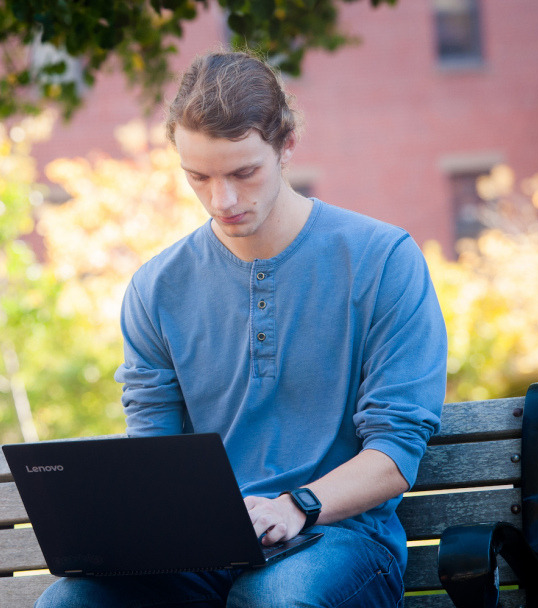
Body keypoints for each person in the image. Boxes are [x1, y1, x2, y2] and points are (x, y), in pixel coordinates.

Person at [35, 49, 447, 607]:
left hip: (339, 540)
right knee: (68, 603)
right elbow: (154, 455)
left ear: (287, 144)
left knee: (272, 600)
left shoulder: (382, 260)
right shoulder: (156, 288)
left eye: (243, 172)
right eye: (198, 177)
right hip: (201, 554)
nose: (221, 199)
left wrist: (295, 505)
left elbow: (395, 454)